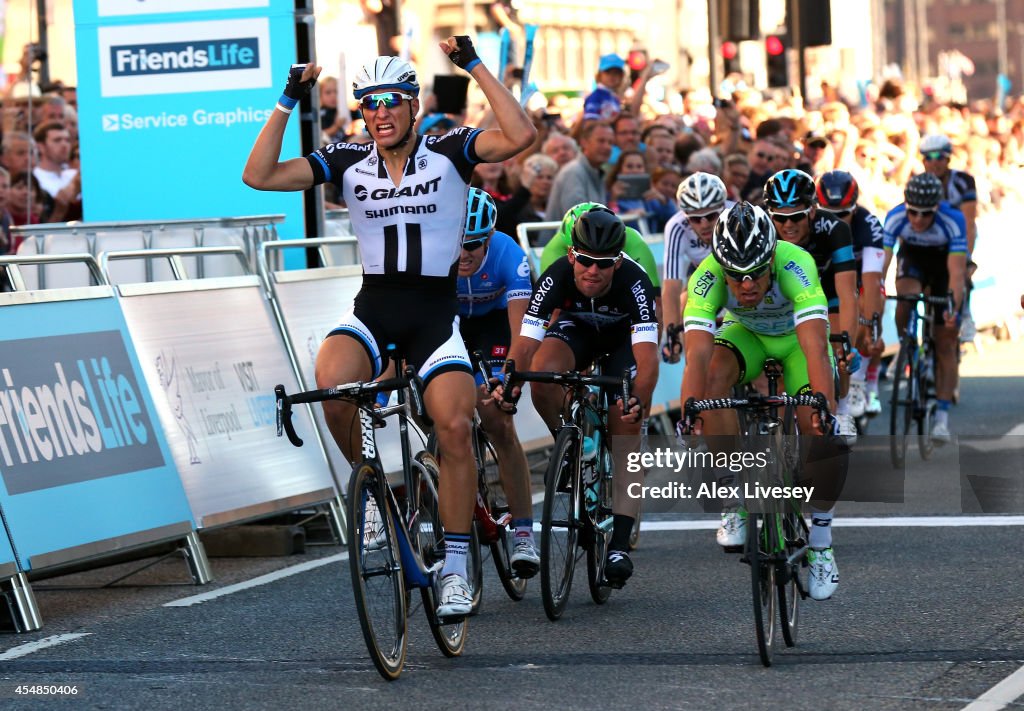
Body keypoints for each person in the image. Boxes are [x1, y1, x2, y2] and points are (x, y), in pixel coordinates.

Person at [242, 39, 536, 619]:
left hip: (434, 314)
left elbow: (520, 135)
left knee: (454, 426)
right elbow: (258, 175)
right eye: (369, 103)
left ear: (412, 106)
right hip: (374, 308)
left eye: (392, 102)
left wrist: (474, 66)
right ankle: (374, 496)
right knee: (331, 386)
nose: (380, 112)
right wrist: (287, 98)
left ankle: (455, 565)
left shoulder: (449, 148)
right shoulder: (348, 158)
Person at [677, 202, 843, 601]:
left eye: (755, 274)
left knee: (818, 427)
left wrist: (823, 407)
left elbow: (816, 348)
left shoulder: (795, 263)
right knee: (713, 375)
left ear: (771, 260)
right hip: (746, 335)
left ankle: (821, 541)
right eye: (735, 277)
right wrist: (689, 408)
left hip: (796, 342)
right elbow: (696, 354)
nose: (746, 285)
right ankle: (735, 493)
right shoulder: (707, 275)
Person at [494, 207, 659, 585]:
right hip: (577, 331)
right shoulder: (555, 278)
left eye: (603, 263)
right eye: (584, 260)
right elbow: (526, 340)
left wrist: (639, 398)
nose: (593, 270)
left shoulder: (634, 281)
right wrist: (511, 382)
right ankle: (571, 443)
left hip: (622, 339)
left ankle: (618, 543)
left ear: (618, 261)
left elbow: (647, 357)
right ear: (571, 255)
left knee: (625, 428)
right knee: (544, 373)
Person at [456, 188, 539, 577]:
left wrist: (509, 380)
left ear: (489, 236)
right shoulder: (435, 257)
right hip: (454, 326)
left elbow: (521, 332)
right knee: (444, 411)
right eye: (457, 243)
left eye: (473, 244)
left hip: (495, 327)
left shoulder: (509, 255)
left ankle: (523, 532)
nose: (464, 253)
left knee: (497, 421)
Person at [764, 168, 860, 443]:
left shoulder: (836, 230)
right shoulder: (764, 231)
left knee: (838, 345)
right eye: (780, 219)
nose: (788, 225)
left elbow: (847, 293)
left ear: (813, 211)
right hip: (785, 300)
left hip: (826, 293)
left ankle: (841, 409)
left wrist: (848, 342)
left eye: (796, 216)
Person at [882, 173, 966, 442]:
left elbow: (956, 273)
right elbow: (881, 265)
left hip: (943, 267)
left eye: (925, 214)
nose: (918, 219)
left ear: (937, 208)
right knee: (905, 299)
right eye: (913, 212)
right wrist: (875, 292)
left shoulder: (953, 220)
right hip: (913, 260)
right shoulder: (895, 217)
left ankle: (941, 417)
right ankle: (907, 347)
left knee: (945, 342)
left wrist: (953, 309)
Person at [815, 171, 886, 420]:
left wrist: (871, 327)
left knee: (868, 303)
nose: (836, 222)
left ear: (855, 209)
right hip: (822, 281)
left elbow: (871, 278)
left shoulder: (869, 225)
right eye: (830, 214)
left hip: (857, 278)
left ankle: (861, 379)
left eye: (843, 214)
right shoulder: (809, 224)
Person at [661, 172, 731, 362]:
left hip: (738, 276)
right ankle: (695, 364)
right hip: (703, 275)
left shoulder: (737, 216)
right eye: (695, 219)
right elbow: (671, 288)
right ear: (686, 216)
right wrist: (672, 336)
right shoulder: (676, 226)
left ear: (723, 208)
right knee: (685, 303)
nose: (705, 224)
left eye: (711, 216)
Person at [919, 134, 978, 343]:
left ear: (948, 158)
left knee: (960, 271)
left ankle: (965, 312)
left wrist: (967, 257)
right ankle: (908, 346)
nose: (934, 162)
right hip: (928, 237)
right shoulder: (919, 183)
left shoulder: (963, 181)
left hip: (957, 235)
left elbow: (969, 222)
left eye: (939, 157)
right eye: (928, 157)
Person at [545, 121, 613, 222]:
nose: (607, 147)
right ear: (584, 142)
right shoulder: (573, 172)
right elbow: (577, 221)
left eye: (610, 142)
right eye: (601, 141)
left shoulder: (596, 171)